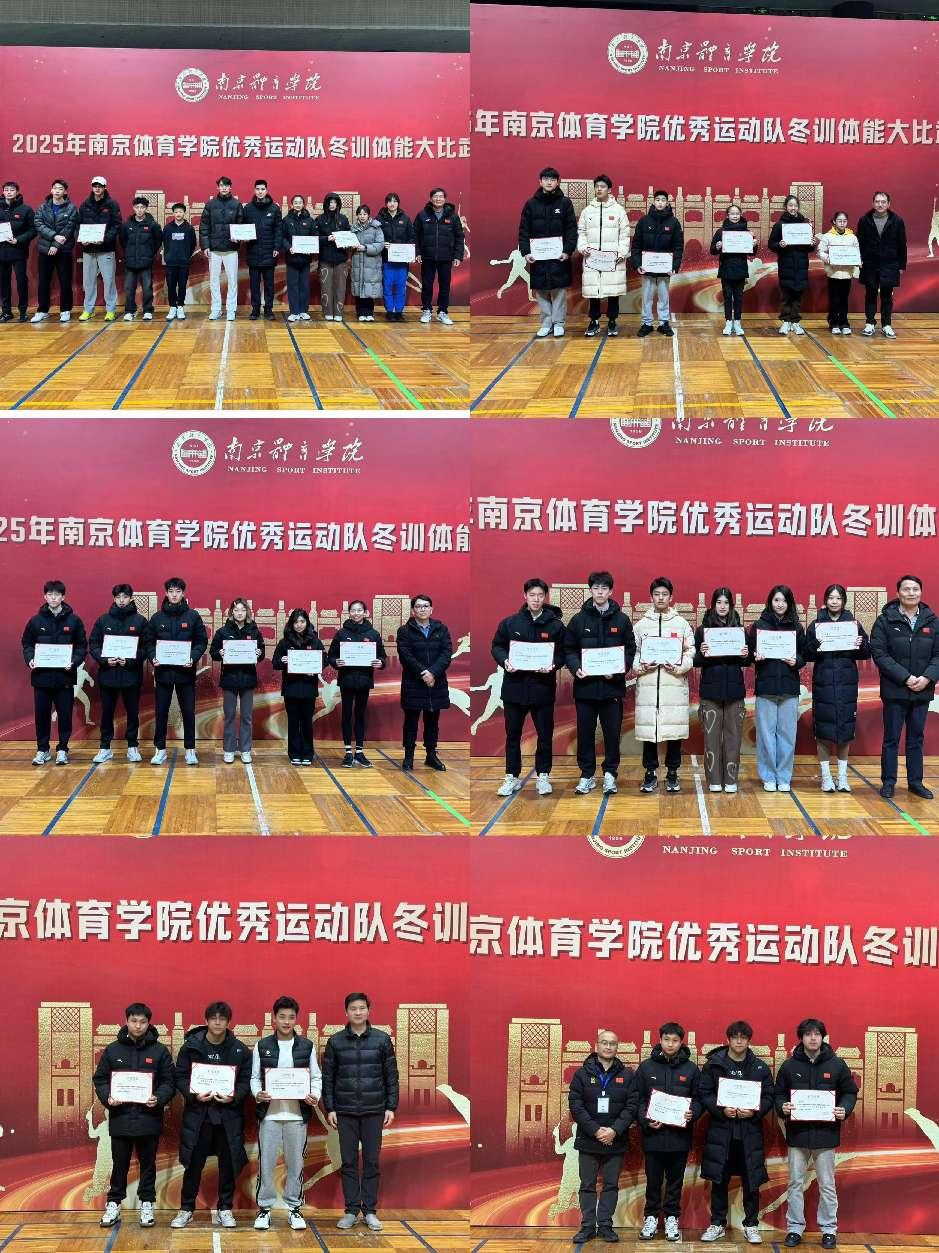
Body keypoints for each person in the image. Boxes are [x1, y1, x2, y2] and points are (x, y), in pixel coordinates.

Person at [774, 1018, 858, 1249]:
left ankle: (829, 1230)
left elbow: (850, 1092)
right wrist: (782, 1107)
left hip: (826, 1135)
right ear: (801, 1038)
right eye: (808, 1034)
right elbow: (778, 1094)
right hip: (798, 1135)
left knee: (827, 1185)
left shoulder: (837, 1064)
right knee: (795, 1183)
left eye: (817, 1034)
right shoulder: (789, 1066)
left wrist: (845, 1108)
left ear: (823, 1037)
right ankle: (794, 1228)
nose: (813, 1038)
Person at [92, 1002, 176, 1230]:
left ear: (149, 1024)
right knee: (119, 1165)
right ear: (126, 1021)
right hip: (120, 1118)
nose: (138, 1026)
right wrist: (108, 1097)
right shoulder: (113, 1050)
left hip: (149, 1119)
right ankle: (113, 1205)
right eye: (134, 1021)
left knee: (148, 1165)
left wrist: (159, 1097)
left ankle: (147, 1204)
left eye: (142, 1022)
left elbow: (169, 1082)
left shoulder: (159, 1051)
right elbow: (100, 1079)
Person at [322, 992, 399, 1234]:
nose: (358, 1012)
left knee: (372, 1162)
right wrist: (330, 1108)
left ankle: (370, 1211)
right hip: (344, 1111)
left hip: (374, 1110)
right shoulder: (335, 1041)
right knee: (348, 1162)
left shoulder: (382, 1040)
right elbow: (328, 1079)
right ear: (346, 1012)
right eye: (353, 1008)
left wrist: (391, 1106)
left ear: (368, 1010)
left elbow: (391, 1076)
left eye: (362, 1008)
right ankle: (351, 1210)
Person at [172, 1001, 252, 1230]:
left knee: (228, 1166)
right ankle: (186, 1209)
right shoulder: (190, 1047)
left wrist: (234, 1096)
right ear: (206, 1020)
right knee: (193, 1165)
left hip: (228, 1117)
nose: (218, 1022)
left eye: (222, 1019)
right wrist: (193, 1095)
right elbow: (180, 1076)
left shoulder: (239, 1049)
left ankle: (225, 1208)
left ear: (228, 1022)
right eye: (213, 1018)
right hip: (199, 1117)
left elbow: (246, 1080)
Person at [252, 995, 323, 1233]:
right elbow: (254, 1078)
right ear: (274, 1018)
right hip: (269, 1116)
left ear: (296, 1019)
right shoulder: (262, 1046)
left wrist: (315, 1095)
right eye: (282, 1017)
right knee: (266, 1164)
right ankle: (264, 1209)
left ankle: (294, 1208)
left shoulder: (307, 1046)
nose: (286, 1021)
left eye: (291, 1017)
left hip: (297, 1116)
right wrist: (257, 1093)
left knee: (296, 1164)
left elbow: (316, 1077)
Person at [699, 1021, 774, 1245]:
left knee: (751, 1181)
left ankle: (751, 1224)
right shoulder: (714, 1065)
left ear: (749, 1040)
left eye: (743, 1037)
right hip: (721, 1132)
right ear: (728, 1039)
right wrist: (721, 1110)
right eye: (735, 1037)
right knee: (719, 1179)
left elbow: (768, 1096)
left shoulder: (760, 1067)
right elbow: (705, 1093)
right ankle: (717, 1224)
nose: (739, 1041)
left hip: (749, 1133)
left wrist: (754, 1112)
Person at [491, 578, 566, 797]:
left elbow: (563, 652)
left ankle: (543, 775)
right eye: (532, 595)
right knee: (513, 736)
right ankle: (511, 776)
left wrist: (553, 665)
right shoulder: (510, 623)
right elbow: (497, 646)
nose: (536, 599)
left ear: (545, 597)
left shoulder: (555, 625)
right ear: (525, 596)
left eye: (540, 595)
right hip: (514, 689)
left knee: (545, 735)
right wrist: (505, 661)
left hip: (542, 688)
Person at [564, 570, 636, 795]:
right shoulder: (578, 620)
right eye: (596, 588)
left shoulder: (622, 620)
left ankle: (610, 774)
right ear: (591, 590)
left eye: (604, 588)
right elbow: (568, 649)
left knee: (612, 734)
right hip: (585, 689)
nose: (600, 592)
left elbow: (630, 650)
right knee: (585, 733)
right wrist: (576, 667)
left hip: (612, 689)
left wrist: (617, 671)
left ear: (611, 591)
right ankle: (586, 775)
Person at [870, 574, 939, 799]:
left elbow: (938, 655)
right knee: (891, 738)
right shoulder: (885, 620)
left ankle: (915, 782)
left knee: (916, 738)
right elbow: (880, 654)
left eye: (915, 589)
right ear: (898, 593)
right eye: (907, 589)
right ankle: (889, 782)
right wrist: (906, 678)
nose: (911, 593)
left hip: (922, 690)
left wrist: (927, 678)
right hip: (895, 690)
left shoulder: (932, 621)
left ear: (921, 592)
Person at [632, 1022, 701, 1243]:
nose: (670, 1044)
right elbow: (637, 1099)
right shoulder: (646, 1068)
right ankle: (651, 1218)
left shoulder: (691, 1069)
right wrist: (645, 1119)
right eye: (666, 1040)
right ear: (660, 1040)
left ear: (681, 1042)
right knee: (653, 1182)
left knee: (675, 1182)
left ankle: (672, 1218)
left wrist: (693, 1113)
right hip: (653, 1137)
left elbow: (699, 1099)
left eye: (675, 1040)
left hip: (679, 1138)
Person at [568, 1029, 634, 1245]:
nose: (608, 1046)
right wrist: (596, 1130)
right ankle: (587, 1226)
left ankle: (605, 1225)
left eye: (612, 1043)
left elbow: (631, 1106)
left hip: (615, 1140)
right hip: (588, 1140)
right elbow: (576, 1105)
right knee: (587, 1185)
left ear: (617, 1047)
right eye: (604, 1043)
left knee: (611, 1185)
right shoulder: (581, 1074)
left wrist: (614, 1130)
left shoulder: (627, 1075)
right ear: (596, 1046)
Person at [805, 584, 870, 792]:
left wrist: (861, 643)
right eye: (831, 598)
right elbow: (806, 654)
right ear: (825, 601)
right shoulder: (816, 625)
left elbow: (866, 653)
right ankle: (826, 778)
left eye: (838, 598)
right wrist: (814, 644)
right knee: (823, 731)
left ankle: (842, 778)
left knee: (845, 730)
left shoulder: (854, 624)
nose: (834, 602)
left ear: (844, 601)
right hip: (823, 684)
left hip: (846, 685)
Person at [634, 577, 695, 794]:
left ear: (671, 597)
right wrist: (641, 665)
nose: (660, 598)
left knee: (673, 732)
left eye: (665, 594)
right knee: (650, 733)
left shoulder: (681, 624)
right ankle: (650, 773)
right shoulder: (641, 626)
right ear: (651, 597)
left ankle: (672, 773)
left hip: (674, 687)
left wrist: (679, 667)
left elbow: (690, 651)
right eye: (657, 594)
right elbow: (634, 653)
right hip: (649, 688)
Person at [21, 579, 87, 766]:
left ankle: (63, 749)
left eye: (57, 594)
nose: (53, 598)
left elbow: (82, 646)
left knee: (65, 715)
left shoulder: (74, 621)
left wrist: (74, 661)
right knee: (42, 715)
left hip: (64, 678)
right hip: (41, 678)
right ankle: (42, 749)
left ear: (63, 597)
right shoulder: (35, 621)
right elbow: (27, 643)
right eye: (50, 594)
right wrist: (30, 658)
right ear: (45, 596)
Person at [749, 585, 806, 792]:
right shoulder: (758, 626)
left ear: (789, 604)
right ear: (770, 602)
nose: (780, 604)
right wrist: (756, 657)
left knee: (787, 735)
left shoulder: (797, 627)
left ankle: (783, 777)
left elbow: (804, 655)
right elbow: (749, 654)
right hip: (766, 687)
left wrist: (796, 661)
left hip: (789, 688)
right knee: (766, 735)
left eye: (784, 601)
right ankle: (768, 776)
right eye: (776, 600)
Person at [694, 587, 750, 792]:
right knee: (711, 738)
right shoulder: (703, 630)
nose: (723, 606)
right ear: (713, 605)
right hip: (710, 692)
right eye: (719, 602)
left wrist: (745, 654)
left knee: (734, 737)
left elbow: (748, 660)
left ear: (731, 605)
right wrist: (702, 653)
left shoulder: (740, 630)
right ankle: (714, 780)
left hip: (735, 691)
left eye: (726, 602)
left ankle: (731, 780)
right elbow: (695, 661)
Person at [147, 577, 208, 767]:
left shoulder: (193, 616)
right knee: (161, 712)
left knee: (188, 712)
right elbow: (148, 643)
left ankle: (190, 750)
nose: (174, 595)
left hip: (185, 673)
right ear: (166, 593)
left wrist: (193, 657)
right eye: (171, 591)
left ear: (183, 593)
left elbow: (201, 642)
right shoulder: (157, 618)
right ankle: (160, 750)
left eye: (178, 591)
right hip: (163, 673)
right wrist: (153, 657)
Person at [88, 583, 150, 764]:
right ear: (114, 598)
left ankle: (132, 747)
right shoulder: (103, 620)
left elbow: (147, 647)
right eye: (118, 597)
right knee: (107, 713)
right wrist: (104, 660)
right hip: (108, 675)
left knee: (133, 713)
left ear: (131, 598)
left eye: (125, 597)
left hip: (131, 675)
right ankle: (105, 748)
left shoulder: (140, 621)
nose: (122, 600)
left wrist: (130, 661)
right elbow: (93, 644)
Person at [327, 600, 387, 766]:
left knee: (360, 715)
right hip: (346, 680)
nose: (356, 613)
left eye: (359, 610)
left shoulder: (373, 634)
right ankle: (348, 752)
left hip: (364, 680)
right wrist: (335, 662)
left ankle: (359, 752)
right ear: (349, 613)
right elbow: (331, 656)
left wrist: (380, 662)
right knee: (346, 714)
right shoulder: (341, 633)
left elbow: (382, 656)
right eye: (353, 610)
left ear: (366, 613)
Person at [396, 594, 452, 772]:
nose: (422, 609)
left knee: (432, 722)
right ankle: (409, 756)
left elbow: (446, 653)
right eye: (418, 606)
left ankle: (431, 755)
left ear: (431, 609)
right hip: (414, 682)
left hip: (436, 682)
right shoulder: (404, 631)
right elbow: (406, 656)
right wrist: (424, 674)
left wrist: (433, 673)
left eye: (426, 606)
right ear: (413, 611)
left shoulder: (441, 629)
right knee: (411, 722)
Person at [518, 168, 577, 338]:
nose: (549, 182)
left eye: (552, 179)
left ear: (558, 182)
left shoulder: (565, 203)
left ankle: (558, 323)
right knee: (541, 290)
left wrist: (567, 250)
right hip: (538, 257)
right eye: (546, 179)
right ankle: (546, 323)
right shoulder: (531, 204)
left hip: (559, 256)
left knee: (558, 290)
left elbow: (571, 229)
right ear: (540, 182)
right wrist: (526, 252)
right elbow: (523, 230)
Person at [209, 597, 265, 764]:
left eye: (242, 610)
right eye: (236, 610)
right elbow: (213, 652)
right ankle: (229, 749)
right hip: (229, 679)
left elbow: (261, 652)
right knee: (230, 716)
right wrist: (219, 653)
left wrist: (259, 653)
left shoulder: (254, 631)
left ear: (247, 612)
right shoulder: (223, 632)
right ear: (231, 612)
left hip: (248, 679)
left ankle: (245, 749)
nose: (239, 613)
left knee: (247, 717)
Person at [577, 174, 630, 337]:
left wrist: (621, 252)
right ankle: (594, 321)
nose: (599, 189)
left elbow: (625, 234)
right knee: (594, 290)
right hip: (592, 259)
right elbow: (581, 232)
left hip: (613, 259)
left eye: (603, 186)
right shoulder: (587, 211)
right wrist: (583, 247)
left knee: (613, 291)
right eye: (597, 186)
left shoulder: (619, 210)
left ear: (609, 189)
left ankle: (612, 321)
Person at [271, 608, 325, 765]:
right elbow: (275, 662)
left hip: (309, 688)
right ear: (291, 624)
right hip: (291, 688)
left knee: (307, 722)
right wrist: (283, 661)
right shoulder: (284, 642)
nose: (299, 625)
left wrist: (315, 667)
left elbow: (324, 660)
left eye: (302, 621)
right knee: (293, 722)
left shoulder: (315, 641)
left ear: (307, 622)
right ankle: (294, 753)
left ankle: (307, 753)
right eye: (296, 622)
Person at [630, 190, 684, 338]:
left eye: (663, 200)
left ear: (667, 203)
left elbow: (678, 246)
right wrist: (637, 264)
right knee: (646, 297)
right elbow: (636, 245)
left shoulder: (674, 222)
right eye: (658, 199)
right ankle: (646, 323)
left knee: (664, 297)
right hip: (647, 268)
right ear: (653, 202)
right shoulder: (644, 221)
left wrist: (674, 266)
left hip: (665, 269)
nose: (660, 202)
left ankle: (663, 323)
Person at [856, 191, 907, 338]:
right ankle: (870, 324)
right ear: (873, 203)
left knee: (887, 296)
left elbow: (902, 244)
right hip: (870, 263)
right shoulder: (864, 220)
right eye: (877, 201)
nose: (880, 204)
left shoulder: (897, 221)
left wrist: (901, 265)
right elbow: (859, 242)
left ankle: (886, 325)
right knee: (870, 294)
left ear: (889, 204)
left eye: (883, 202)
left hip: (889, 264)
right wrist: (858, 260)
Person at [415, 186, 465, 325]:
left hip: (446, 257)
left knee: (445, 286)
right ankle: (426, 310)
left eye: (441, 196)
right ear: (431, 199)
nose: (438, 199)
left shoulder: (453, 216)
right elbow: (415, 236)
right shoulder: (422, 215)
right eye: (435, 196)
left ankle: (442, 312)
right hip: (427, 257)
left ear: (445, 199)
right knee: (427, 285)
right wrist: (417, 253)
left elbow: (459, 237)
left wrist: (457, 256)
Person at [31, 177, 79, 323]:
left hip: (63, 250)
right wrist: (54, 237)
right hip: (45, 250)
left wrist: (56, 245)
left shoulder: (71, 208)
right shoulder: (42, 207)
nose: (57, 191)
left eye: (60, 189)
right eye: (55, 188)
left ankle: (65, 310)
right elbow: (39, 224)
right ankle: (42, 310)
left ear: (65, 192)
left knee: (65, 281)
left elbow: (69, 229)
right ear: (51, 190)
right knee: (43, 281)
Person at [768, 195, 817, 336]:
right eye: (790, 205)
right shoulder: (779, 225)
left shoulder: (805, 225)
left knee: (798, 295)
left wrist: (812, 243)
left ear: (798, 207)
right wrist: (780, 245)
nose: (793, 208)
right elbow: (772, 244)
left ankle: (795, 321)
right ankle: (785, 321)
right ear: (785, 207)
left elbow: (809, 247)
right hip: (786, 264)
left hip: (801, 265)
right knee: (786, 294)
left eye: (795, 205)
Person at [77, 176, 121, 322]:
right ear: (92, 187)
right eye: (95, 186)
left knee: (109, 281)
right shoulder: (85, 205)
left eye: (100, 186)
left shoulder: (112, 204)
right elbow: (78, 225)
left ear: (105, 188)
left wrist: (105, 238)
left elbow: (117, 225)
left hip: (106, 249)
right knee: (88, 282)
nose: (97, 188)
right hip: (88, 250)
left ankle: (111, 310)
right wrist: (81, 238)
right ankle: (88, 310)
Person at [200, 176, 243, 321]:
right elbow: (204, 226)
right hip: (214, 249)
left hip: (231, 249)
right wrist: (205, 245)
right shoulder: (210, 204)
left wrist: (238, 237)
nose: (224, 188)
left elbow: (241, 224)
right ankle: (216, 309)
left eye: (226, 185)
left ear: (230, 187)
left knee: (232, 280)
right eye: (221, 185)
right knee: (214, 280)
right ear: (217, 187)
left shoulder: (237, 204)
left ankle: (231, 309)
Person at [709, 203, 755, 336]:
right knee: (728, 296)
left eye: (737, 214)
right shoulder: (721, 232)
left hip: (741, 269)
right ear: (728, 215)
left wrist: (754, 245)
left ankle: (738, 323)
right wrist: (717, 246)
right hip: (726, 269)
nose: (735, 216)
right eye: (732, 214)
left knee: (739, 297)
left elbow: (752, 253)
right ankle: (728, 322)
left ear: (740, 215)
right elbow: (712, 250)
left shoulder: (747, 232)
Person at [243, 178, 282, 321]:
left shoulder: (274, 208)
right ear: (254, 190)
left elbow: (279, 230)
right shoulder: (247, 208)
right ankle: (255, 309)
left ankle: (269, 309)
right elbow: (242, 227)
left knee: (269, 284)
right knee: (254, 284)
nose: (260, 192)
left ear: (267, 190)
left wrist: (277, 247)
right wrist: (242, 237)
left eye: (262, 189)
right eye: (258, 189)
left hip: (269, 252)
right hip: (253, 252)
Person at [119, 196, 163, 321]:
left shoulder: (153, 225)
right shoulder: (126, 225)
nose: (139, 209)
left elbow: (157, 241)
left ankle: (148, 310)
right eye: (137, 207)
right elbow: (123, 241)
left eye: (142, 207)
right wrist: (129, 253)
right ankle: (130, 311)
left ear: (146, 208)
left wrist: (149, 253)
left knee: (147, 288)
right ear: (133, 208)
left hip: (146, 262)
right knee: (129, 288)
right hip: (130, 262)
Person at [816, 211, 859, 335]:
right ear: (834, 221)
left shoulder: (852, 237)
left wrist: (857, 260)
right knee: (834, 299)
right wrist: (829, 258)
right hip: (833, 273)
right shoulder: (828, 236)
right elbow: (820, 251)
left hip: (847, 274)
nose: (842, 223)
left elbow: (857, 253)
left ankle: (844, 323)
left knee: (844, 299)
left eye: (844, 221)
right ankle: (834, 322)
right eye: (839, 221)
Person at [314, 191, 353, 321]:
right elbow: (315, 238)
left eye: (335, 202)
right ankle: (328, 312)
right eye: (330, 202)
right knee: (326, 287)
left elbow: (348, 236)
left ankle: (339, 313)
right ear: (326, 203)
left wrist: (347, 241)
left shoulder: (343, 219)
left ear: (338, 204)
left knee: (340, 287)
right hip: (325, 258)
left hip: (341, 258)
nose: (332, 205)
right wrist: (327, 238)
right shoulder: (319, 219)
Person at [0, 180, 35, 322]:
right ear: (3, 192)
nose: (9, 192)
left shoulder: (26, 209)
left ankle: (23, 311)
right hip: (1, 252)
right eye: (6, 190)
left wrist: (19, 240)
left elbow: (33, 230)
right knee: (3, 282)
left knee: (21, 281)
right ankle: (6, 312)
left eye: (12, 190)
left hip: (18, 251)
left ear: (17, 192)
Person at [377, 192, 415, 321]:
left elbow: (412, 237)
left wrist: (406, 248)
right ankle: (390, 311)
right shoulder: (379, 219)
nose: (392, 204)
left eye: (395, 201)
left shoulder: (405, 218)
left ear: (398, 203)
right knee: (387, 286)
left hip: (402, 260)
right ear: (386, 203)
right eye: (389, 201)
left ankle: (399, 311)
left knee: (400, 286)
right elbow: (375, 237)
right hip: (386, 259)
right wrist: (383, 243)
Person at [162, 202, 198, 321]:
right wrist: (167, 256)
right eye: (176, 212)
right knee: (171, 286)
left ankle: (180, 306)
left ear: (184, 213)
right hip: (171, 262)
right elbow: (165, 243)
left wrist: (186, 256)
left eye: (180, 212)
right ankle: (172, 307)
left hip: (183, 263)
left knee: (182, 285)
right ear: (173, 213)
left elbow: (193, 244)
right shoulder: (167, 228)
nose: (178, 214)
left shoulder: (189, 228)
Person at [282, 194, 316, 322]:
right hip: (291, 259)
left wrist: (311, 248)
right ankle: (294, 312)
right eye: (295, 202)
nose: (297, 204)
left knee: (304, 286)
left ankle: (303, 311)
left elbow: (315, 236)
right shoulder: (286, 220)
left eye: (300, 202)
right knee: (292, 286)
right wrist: (288, 247)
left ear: (303, 204)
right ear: (291, 205)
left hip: (305, 260)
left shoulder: (309, 220)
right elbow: (282, 237)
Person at [350, 205, 385, 321]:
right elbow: (348, 245)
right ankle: (360, 313)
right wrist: (350, 246)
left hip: (372, 263)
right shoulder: (353, 228)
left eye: (364, 214)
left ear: (368, 215)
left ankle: (369, 313)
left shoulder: (376, 227)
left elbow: (380, 245)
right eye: (360, 214)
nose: (362, 216)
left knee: (370, 288)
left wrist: (365, 248)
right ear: (357, 215)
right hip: (357, 263)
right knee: (359, 287)